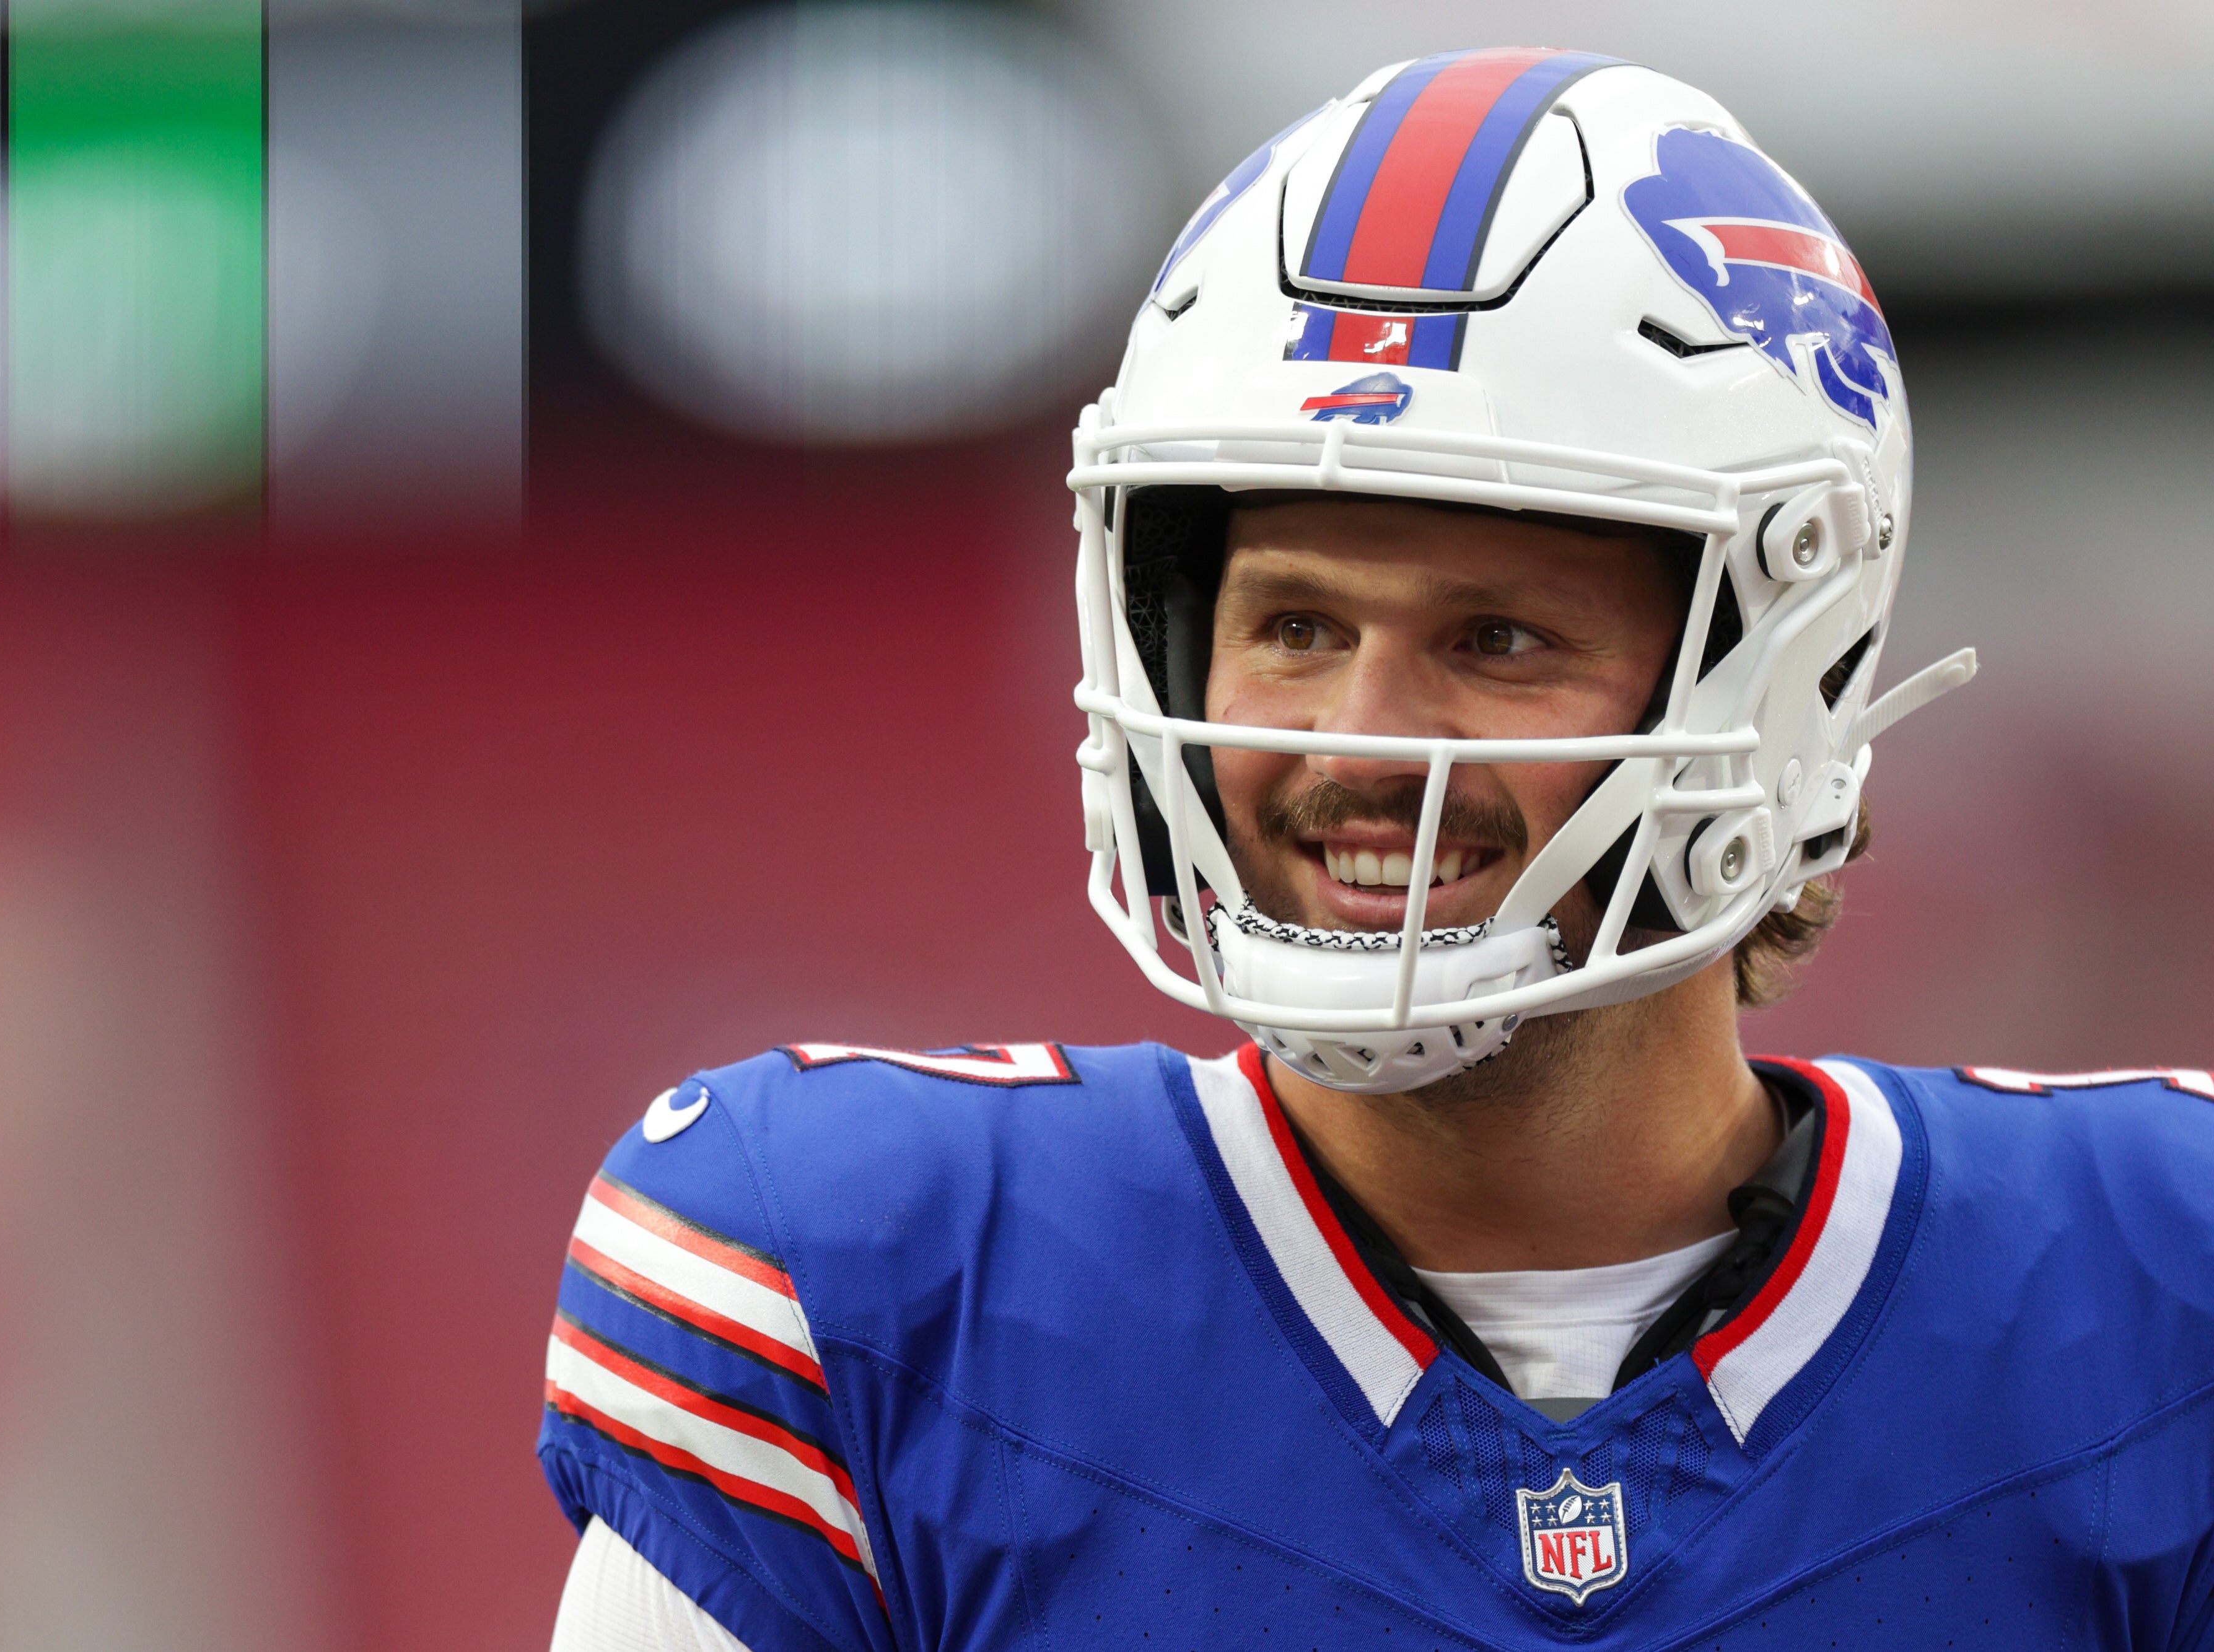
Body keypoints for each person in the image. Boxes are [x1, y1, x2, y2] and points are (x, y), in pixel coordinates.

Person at [538, 47, 2214, 1652]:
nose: (1357, 741)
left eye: (1495, 639)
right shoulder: (871, 1283)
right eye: (1292, 623)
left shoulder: (2158, 1296)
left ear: (1781, 683)